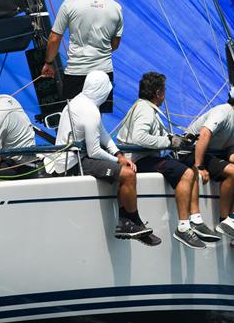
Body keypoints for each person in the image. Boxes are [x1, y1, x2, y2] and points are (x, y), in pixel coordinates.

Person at [117, 72, 221, 250]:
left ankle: (195, 219)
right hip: (139, 161)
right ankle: (183, 227)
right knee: (187, 173)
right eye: (164, 90)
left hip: (145, 158)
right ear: (159, 93)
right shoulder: (145, 110)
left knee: (192, 169)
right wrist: (168, 142)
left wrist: (176, 139)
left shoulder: (143, 108)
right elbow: (139, 137)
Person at [53, 71, 158, 243]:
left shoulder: (78, 101)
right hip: (75, 163)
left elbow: (102, 133)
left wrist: (118, 154)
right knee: (128, 175)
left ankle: (128, 222)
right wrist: (118, 161)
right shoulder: (90, 111)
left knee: (122, 171)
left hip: (68, 159)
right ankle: (134, 221)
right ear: (102, 90)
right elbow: (94, 151)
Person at [184, 83, 234, 255]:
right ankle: (224, 219)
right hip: (192, 150)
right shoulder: (222, 112)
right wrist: (199, 166)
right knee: (230, 171)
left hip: (212, 155)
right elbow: (205, 134)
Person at [41, 0, 122, 113]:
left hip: (77, 73)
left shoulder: (69, 4)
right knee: (96, 119)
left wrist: (48, 62)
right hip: (103, 73)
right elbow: (115, 44)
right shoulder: (116, 7)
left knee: (74, 121)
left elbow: (54, 39)